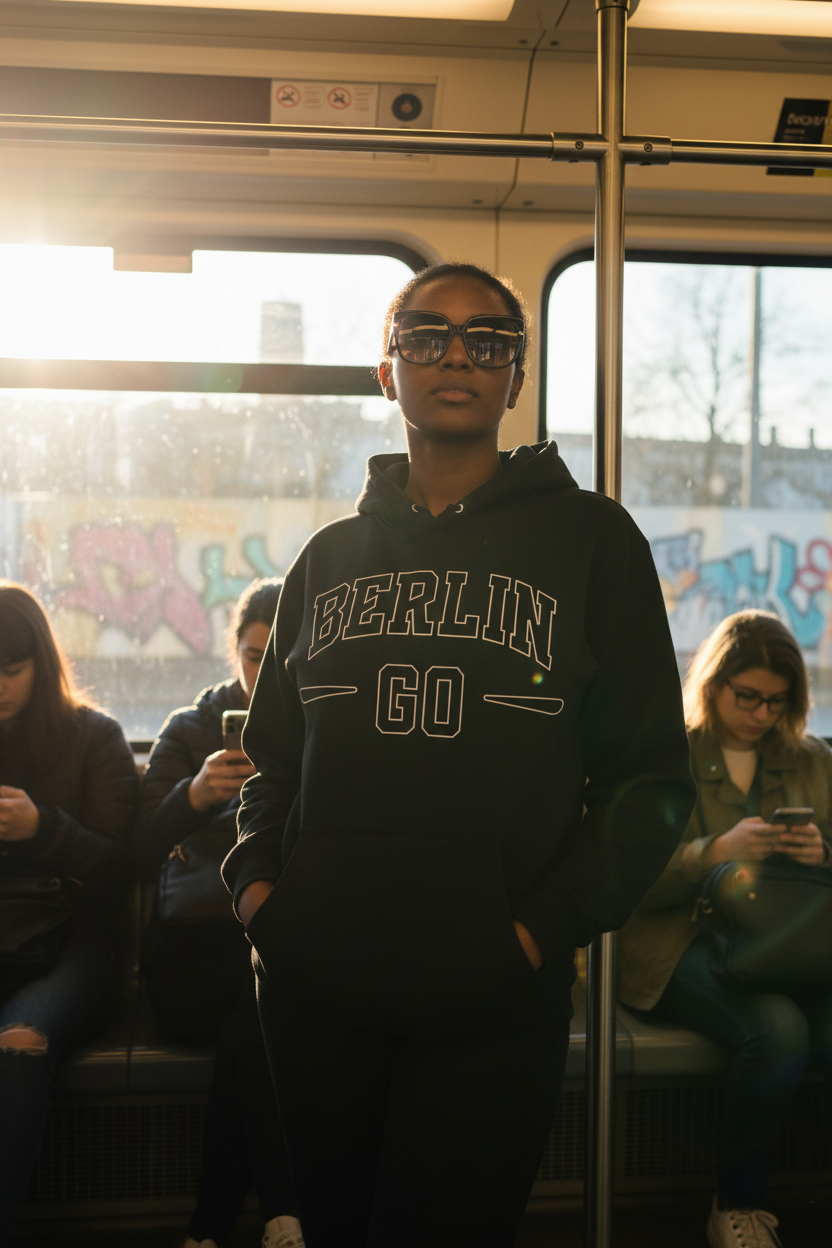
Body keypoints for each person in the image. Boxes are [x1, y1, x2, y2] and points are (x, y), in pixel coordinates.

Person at [222, 261, 696, 1248]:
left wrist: (534, 935)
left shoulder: (593, 544)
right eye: (426, 334)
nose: (456, 356)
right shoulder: (327, 559)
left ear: (516, 378)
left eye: (488, 341)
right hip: (316, 990)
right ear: (384, 369)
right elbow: (271, 765)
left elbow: (646, 782)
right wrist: (260, 898)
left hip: (490, 992)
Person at [619, 609, 832, 1248]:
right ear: (713, 685)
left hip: (789, 942)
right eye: (748, 697)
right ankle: (737, 1205)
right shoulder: (665, 755)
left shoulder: (813, 760)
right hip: (677, 939)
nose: (762, 715)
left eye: (778, 701)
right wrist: (710, 854)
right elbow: (628, 883)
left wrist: (821, 857)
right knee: (777, 1030)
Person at [136, 577, 303, 1248]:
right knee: (257, 1001)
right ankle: (284, 1211)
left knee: (253, 1006)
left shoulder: (316, 729)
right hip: (189, 960)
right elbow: (137, 848)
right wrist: (195, 795)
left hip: (266, 956)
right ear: (234, 652)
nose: (264, 670)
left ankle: (206, 1231)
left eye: (280, 655)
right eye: (254, 654)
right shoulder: (190, 729)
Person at [0, 581, 138, 1247]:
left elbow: (119, 871)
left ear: (42, 665)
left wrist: (39, 829)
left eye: (12, 670)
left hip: (71, 939)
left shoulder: (95, 737)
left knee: (20, 1045)